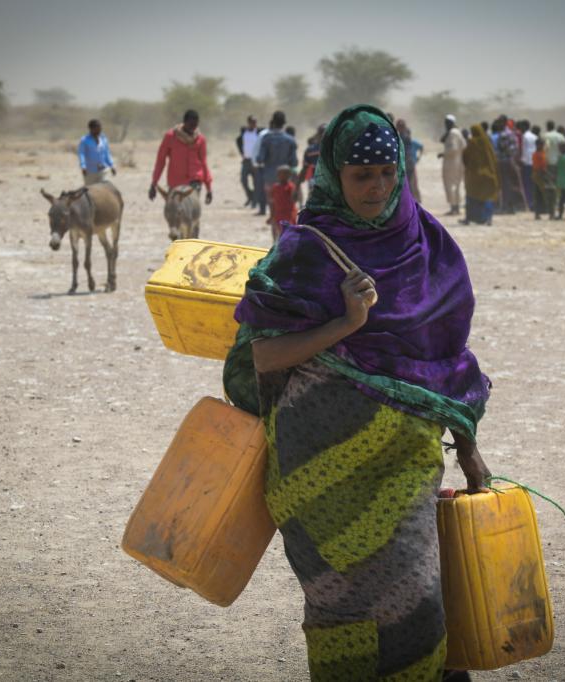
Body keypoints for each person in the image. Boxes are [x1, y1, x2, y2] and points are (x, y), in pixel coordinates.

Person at [222, 104, 491, 682]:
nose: (376, 188)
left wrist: (466, 443)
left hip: (405, 467)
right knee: (338, 605)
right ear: (333, 175)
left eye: (386, 174)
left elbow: (446, 361)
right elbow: (263, 356)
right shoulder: (302, 253)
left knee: (416, 600)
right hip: (317, 473)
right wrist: (346, 324)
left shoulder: (428, 246)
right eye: (361, 175)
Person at [148, 109, 213, 205]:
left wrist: (209, 188)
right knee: (174, 212)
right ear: (185, 122)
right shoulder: (170, 137)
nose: (193, 129)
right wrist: (154, 183)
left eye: (195, 126)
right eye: (191, 125)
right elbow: (161, 161)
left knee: (190, 211)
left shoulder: (200, 139)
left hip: (194, 181)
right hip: (176, 182)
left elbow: (203, 163)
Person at [256, 111, 299, 221]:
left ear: (273, 122)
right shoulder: (290, 140)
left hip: (270, 177)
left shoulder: (266, 138)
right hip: (287, 178)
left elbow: (259, 158)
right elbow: (294, 162)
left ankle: (275, 232)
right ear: (284, 123)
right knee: (288, 207)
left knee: (273, 205)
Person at [460, 123, 499, 226]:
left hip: (473, 176)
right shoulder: (487, 143)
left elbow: (465, 157)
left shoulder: (472, 143)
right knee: (488, 196)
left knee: (470, 197)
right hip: (488, 175)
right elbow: (493, 159)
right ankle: (489, 218)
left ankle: (468, 219)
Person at [439, 115, 467, 215]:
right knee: (455, 185)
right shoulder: (455, 132)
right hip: (456, 162)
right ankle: (455, 207)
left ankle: (454, 208)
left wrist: (443, 153)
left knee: (451, 186)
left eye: (447, 122)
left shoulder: (453, 133)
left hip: (452, 163)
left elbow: (453, 149)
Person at [77, 119, 116, 186]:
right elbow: (81, 154)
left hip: (102, 170)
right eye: (97, 128)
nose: (99, 130)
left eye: (100, 128)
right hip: (90, 171)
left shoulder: (103, 139)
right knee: (90, 191)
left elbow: (107, 153)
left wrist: (112, 165)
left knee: (103, 189)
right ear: (91, 129)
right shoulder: (84, 140)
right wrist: (83, 166)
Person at [396, 118, 424, 203]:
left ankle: (410, 202)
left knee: (407, 184)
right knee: (409, 183)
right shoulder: (404, 136)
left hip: (406, 163)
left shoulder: (402, 137)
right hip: (409, 162)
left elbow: (405, 152)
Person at [268, 165, 298, 242]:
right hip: (278, 214)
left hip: (289, 214)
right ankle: (276, 245)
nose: (282, 176)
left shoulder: (291, 187)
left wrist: (297, 185)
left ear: (289, 175)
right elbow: (272, 202)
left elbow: (294, 199)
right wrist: (271, 216)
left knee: (289, 233)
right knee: (276, 231)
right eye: (280, 174)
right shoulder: (275, 187)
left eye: (285, 174)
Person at [542, 120, 565, 216]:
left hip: (548, 163)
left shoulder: (545, 136)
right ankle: (558, 205)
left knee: (549, 186)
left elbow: (545, 147)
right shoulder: (560, 136)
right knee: (558, 185)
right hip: (560, 162)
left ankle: (550, 207)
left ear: (547, 127)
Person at [237, 116, 261, 208]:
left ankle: (254, 202)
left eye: (255, 122)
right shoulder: (244, 132)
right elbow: (238, 141)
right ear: (248, 122)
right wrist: (241, 153)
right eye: (252, 122)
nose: (254, 124)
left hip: (255, 161)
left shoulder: (259, 132)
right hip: (246, 160)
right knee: (243, 181)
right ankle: (250, 196)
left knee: (256, 182)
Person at [299, 125, 325, 200]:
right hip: (314, 178)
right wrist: (299, 181)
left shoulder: (335, 148)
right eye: (321, 133)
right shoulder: (310, 149)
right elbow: (305, 166)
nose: (323, 135)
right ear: (318, 135)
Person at [518, 120, 538, 209]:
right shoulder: (534, 136)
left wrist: (522, 160)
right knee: (533, 183)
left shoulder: (525, 136)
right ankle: (534, 202)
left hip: (527, 163)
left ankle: (529, 202)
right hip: (534, 162)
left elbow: (524, 150)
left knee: (527, 184)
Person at [532, 138, 549, 220]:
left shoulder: (541, 153)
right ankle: (538, 212)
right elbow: (540, 167)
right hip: (539, 175)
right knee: (540, 194)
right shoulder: (538, 154)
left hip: (538, 174)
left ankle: (539, 212)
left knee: (539, 194)